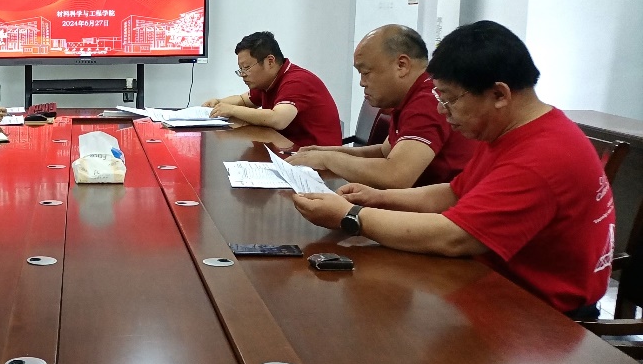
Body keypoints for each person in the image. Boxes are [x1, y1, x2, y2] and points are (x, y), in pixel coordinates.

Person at [291, 20, 615, 317]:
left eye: (449, 100)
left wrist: (350, 216)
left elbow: (455, 238)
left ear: (499, 94)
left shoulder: (541, 156)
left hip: (540, 314)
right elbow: (454, 193)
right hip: (495, 278)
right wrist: (377, 197)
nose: (442, 111)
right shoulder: (510, 131)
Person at [287, 24, 475, 188]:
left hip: (444, 211)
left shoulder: (427, 100)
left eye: (366, 72)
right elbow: (384, 152)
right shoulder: (410, 97)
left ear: (402, 65)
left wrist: (327, 159)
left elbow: (396, 175)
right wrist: (323, 151)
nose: (362, 83)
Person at [203, 31, 342, 149]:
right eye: (241, 69)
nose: (243, 75)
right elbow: (243, 100)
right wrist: (218, 102)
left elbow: (278, 119)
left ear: (270, 61)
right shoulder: (268, 82)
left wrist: (232, 110)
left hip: (318, 160)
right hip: (289, 149)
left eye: (246, 68)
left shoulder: (297, 81)